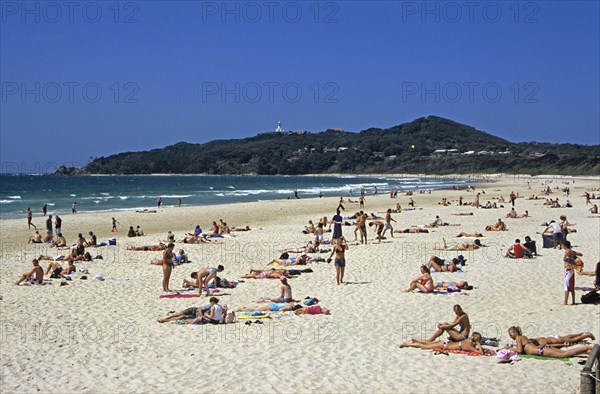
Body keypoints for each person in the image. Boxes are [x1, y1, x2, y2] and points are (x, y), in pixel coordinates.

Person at [505, 327, 592, 358]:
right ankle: (586, 352)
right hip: (543, 347)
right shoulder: (524, 337)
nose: (510, 336)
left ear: (515, 332)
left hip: (540, 350)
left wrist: (509, 348)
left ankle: (586, 348)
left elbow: (520, 350)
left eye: (511, 334)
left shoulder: (518, 338)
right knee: (564, 352)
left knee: (564, 354)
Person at [158, 297, 226, 324]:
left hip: (196, 315)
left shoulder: (213, 306)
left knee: (182, 316)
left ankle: (166, 320)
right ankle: (165, 318)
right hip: (194, 310)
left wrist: (203, 316)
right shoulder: (211, 306)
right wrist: (202, 315)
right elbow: (199, 309)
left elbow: (224, 312)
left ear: (212, 301)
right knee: (179, 314)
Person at [400, 333, 484, 354]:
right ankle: (407, 344)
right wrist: (478, 344)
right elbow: (480, 352)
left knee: (428, 343)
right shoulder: (469, 345)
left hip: (446, 342)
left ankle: (416, 340)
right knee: (424, 346)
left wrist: (476, 342)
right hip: (444, 345)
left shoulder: (468, 340)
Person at [562, 240, 582, 305]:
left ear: (564, 245)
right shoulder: (572, 251)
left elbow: (564, 259)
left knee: (566, 286)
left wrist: (569, 260)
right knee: (571, 286)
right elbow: (580, 254)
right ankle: (573, 301)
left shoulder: (567, 251)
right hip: (571, 270)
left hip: (568, 269)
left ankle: (565, 302)